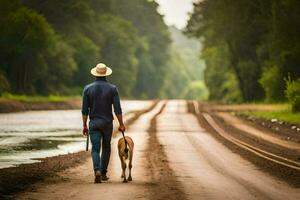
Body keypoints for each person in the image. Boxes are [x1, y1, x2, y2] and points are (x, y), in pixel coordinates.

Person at [81, 63, 126, 183]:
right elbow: (117, 109)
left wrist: (85, 125)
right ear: (106, 74)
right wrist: (121, 124)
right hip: (107, 123)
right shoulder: (112, 89)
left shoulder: (87, 89)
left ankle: (97, 171)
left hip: (94, 123)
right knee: (106, 147)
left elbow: (85, 110)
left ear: (95, 74)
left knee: (95, 148)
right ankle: (104, 173)